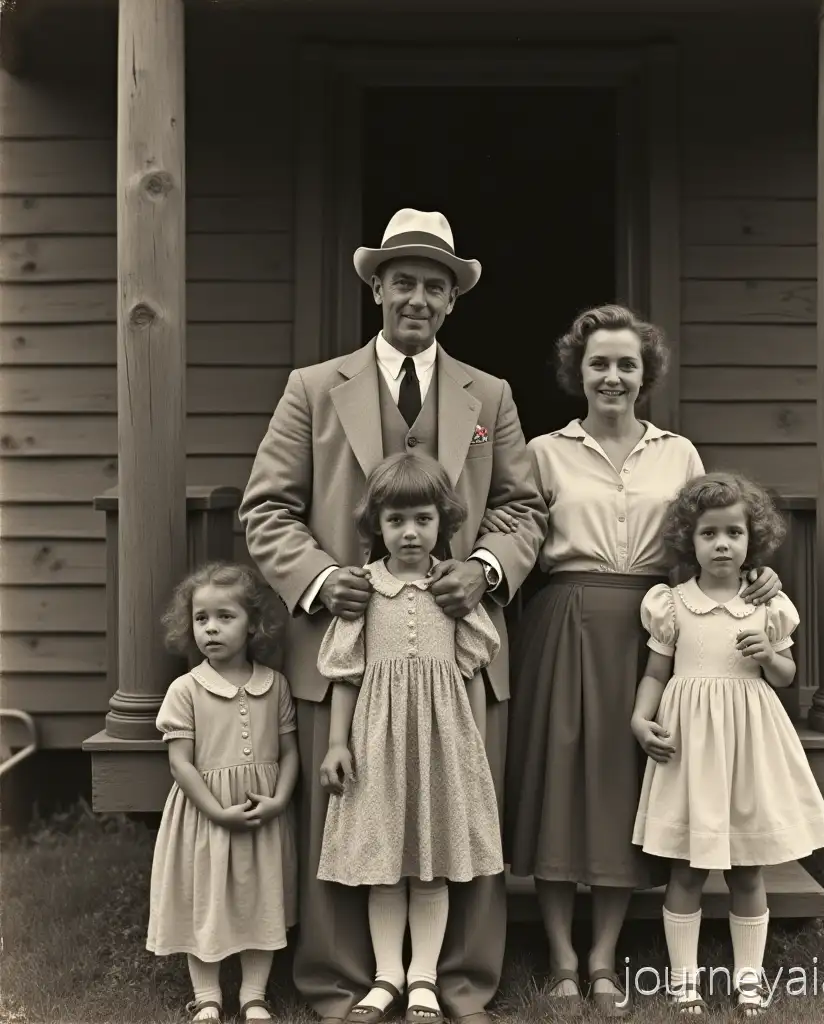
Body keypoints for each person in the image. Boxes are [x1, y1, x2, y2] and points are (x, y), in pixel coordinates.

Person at [239, 208, 547, 1024]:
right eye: (403, 282)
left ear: (452, 302)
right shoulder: (314, 387)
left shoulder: (491, 395)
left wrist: (483, 571)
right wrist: (318, 581)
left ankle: (456, 982)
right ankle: (348, 981)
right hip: (349, 645)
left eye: (434, 287)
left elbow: (523, 508)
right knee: (350, 816)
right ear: (376, 287)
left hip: (457, 651)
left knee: (462, 813)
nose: (417, 298)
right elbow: (267, 508)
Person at [490, 305, 782, 1018]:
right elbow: (518, 539)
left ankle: (603, 957)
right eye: (599, 364)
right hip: (563, 621)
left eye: (627, 364)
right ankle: (561, 955)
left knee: (625, 784)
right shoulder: (543, 450)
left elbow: (709, 540)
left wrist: (758, 580)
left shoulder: (678, 454)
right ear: (577, 372)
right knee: (562, 778)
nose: (613, 376)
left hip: (651, 630)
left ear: (645, 373)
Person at [631, 472, 824, 1016]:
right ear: (689, 540)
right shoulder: (672, 604)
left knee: (747, 865)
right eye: (708, 534)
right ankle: (683, 981)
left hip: (747, 743)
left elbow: (787, 675)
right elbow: (656, 671)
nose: (722, 544)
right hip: (691, 745)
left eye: (734, 533)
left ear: (753, 539)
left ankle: (749, 978)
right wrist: (639, 717)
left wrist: (769, 655)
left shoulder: (767, 604)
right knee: (688, 867)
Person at [315, 454, 504, 1024]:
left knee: (431, 865)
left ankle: (424, 976)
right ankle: (387, 977)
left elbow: (471, 672)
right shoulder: (363, 590)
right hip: (378, 742)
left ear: (442, 523)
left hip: (442, 743)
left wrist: (472, 748)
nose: (410, 532)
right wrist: (337, 744)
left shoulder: (453, 589)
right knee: (384, 864)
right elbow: (347, 676)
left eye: (422, 519)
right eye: (396, 521)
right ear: (377, 525)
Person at [146, 562, 299, 1024]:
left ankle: (254, 995)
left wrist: (280, 800)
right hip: (206, 814)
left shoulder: (275, 685)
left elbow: (291, 753)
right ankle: (208, 995)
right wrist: (216, 812)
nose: (211, 628)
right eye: (201, 618)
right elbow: (180, 762)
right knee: (206, 899)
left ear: (253, 623)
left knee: (261, 898)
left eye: (224, 617)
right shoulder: (186, 690)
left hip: (261, 813)